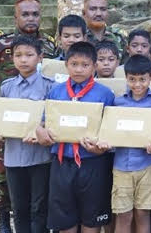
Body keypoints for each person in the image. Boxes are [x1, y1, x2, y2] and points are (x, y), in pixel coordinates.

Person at [0, 0, 57, 233]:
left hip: (41, 148)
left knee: (39, 204)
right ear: (16, 17)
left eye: (35, 14)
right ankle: (3, 219)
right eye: (25, 14)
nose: (31, 18)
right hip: (12, 140)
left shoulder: (50, 47)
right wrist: (5, 119)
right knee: (13, 194)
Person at [35, 41, 115, 233]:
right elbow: (44, 124)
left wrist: (101, 146)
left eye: (85, 65)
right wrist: (41, 133)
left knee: (92, 219)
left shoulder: (105, 94)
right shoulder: (56, 92)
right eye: (74, 64)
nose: (79, 69)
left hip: (93, 162)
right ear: (66, 65)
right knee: (64, 219)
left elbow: (110, 131)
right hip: (62, 162)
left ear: (94, 67)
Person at [98, 55, 151, 233]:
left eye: (142, 79)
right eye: (132, 79)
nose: (137, 84)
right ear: (126, 78)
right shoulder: (117, 103)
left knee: (143, 213)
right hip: (121, 166)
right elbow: (110, 132)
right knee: (123, 215)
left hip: (148, 165)